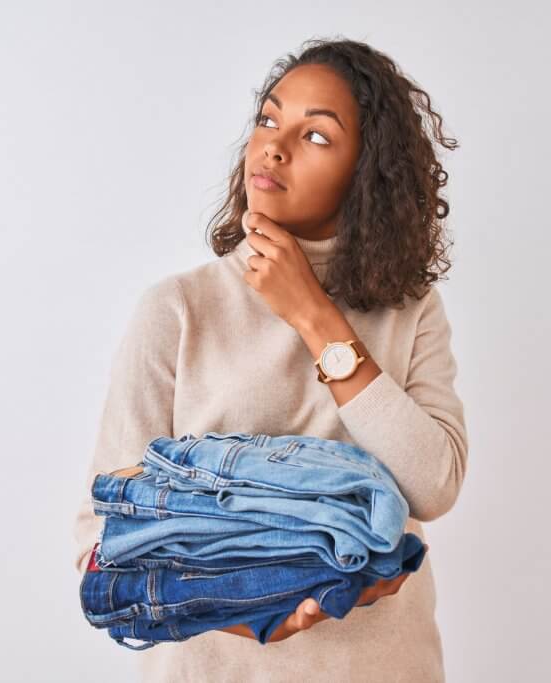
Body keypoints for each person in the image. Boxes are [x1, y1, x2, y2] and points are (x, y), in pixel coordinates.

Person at [72, 37, 468, 682]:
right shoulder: (178, 308)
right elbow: (104, 531)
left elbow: (435, 485)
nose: (274, 145)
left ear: (366, 170)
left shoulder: (411, 309)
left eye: (316, 136)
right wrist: (245, 607)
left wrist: (314, 317)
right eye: (268, 118)